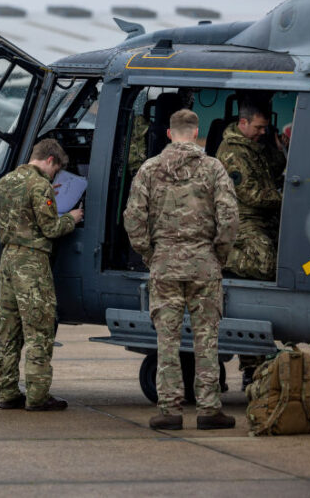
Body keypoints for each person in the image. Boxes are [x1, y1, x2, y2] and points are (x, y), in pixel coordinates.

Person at [124, 109, 239, 430]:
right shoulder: (213, 168)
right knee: (206, 339)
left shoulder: (150, 169)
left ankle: (170, 410)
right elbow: (229, 217)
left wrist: (151, 253)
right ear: (196, 132)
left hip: (165, 264)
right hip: (204, 264)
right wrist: (218, 255)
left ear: (170, 134)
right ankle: (209, 409)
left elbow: (133, 218)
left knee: (167, 340)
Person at [0, 138, 83, 412]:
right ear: (51, 161)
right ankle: (38, 396)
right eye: (56, 171)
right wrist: (73, 218)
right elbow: (51, 229)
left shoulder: (5, 182)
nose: (54, 176)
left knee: (9, 330)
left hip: (7, 259)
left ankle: (7, 392)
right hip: (31, 263)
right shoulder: (40, 185)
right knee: (39, 330)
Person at [215, 103, 283, 281]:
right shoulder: (232, 152)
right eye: (258, 127)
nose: (262, 132)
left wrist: (281, 149)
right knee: (265, 264)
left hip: (263, 214)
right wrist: (286, 199)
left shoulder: (253, 145)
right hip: (241, 217)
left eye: (264, 128)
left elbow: (273, 169)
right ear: (243, 122)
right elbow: (251, 194)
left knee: (293, 250)